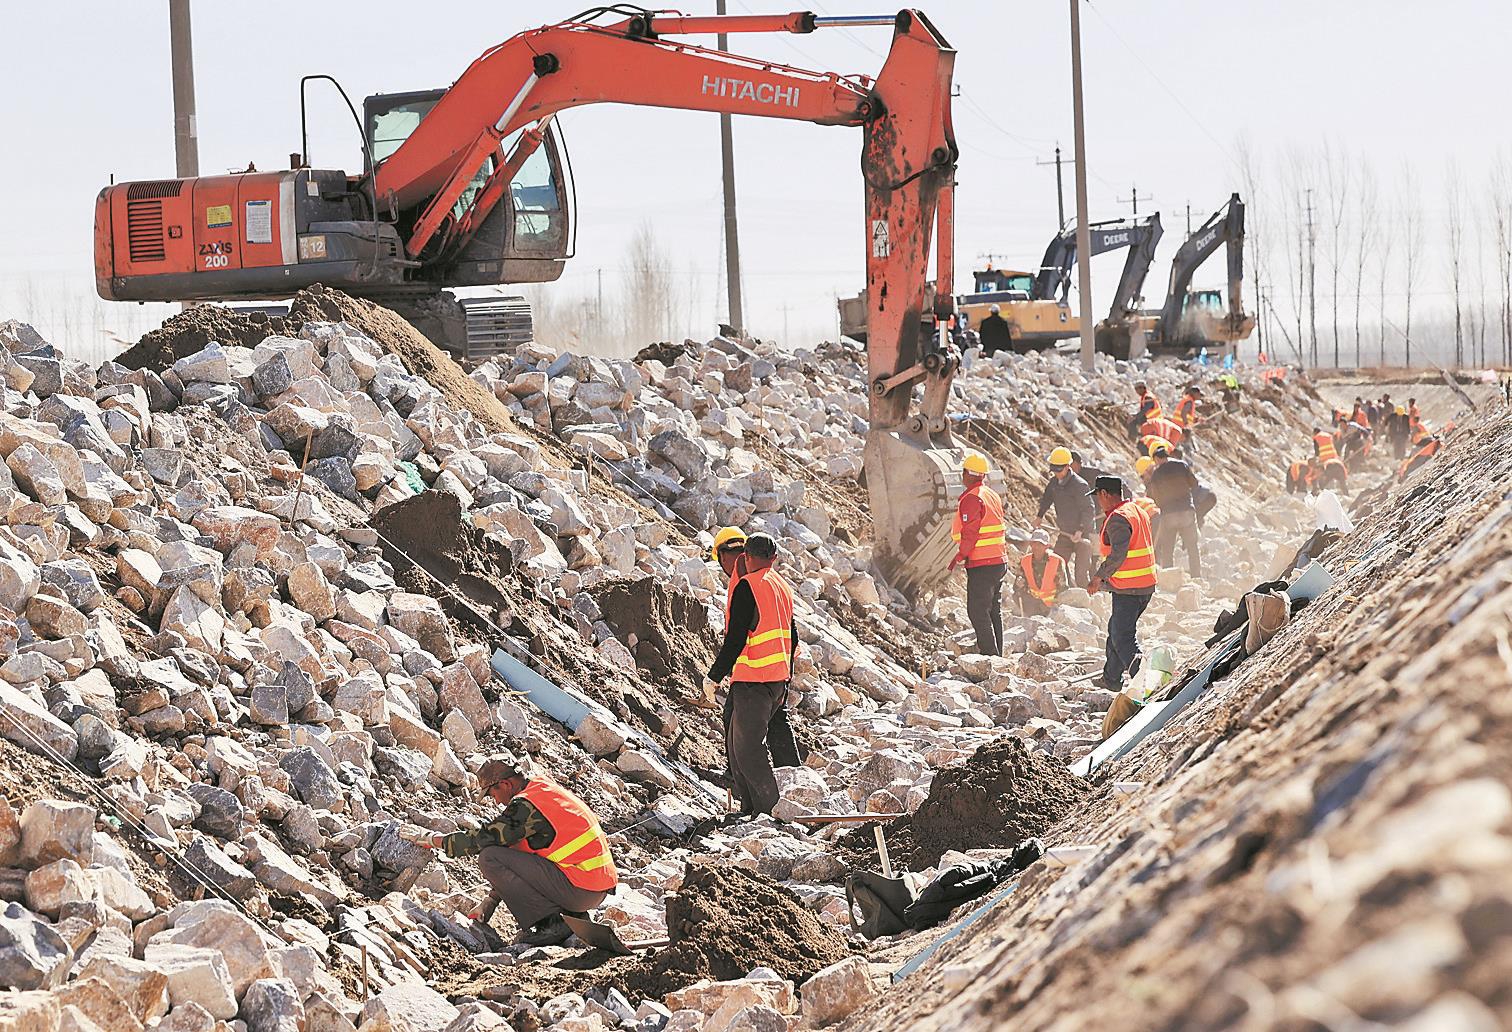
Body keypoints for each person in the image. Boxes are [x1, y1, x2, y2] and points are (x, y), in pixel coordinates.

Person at [429, 755, 617, 947]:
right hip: (594, 887)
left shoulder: (526, 806)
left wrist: (437, 841)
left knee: (489, 857)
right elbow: (519, 858)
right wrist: (491, 901)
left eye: (493, 795)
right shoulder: (543, 789)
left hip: (580, 888)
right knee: (500, 854)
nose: (497, 803)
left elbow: (485, 839)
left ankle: (553, 923)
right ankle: (571, 914)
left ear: (505, 784)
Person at [706, 533, 797, 817]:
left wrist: (713, 676)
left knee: (747, 751)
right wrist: (787, 677)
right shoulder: (782, 587)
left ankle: (771, 810)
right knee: (736, 746)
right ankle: (748, 809)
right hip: (775, 681)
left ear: (746, 556)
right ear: (774, 558)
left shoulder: (748, 587)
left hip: (754, 680)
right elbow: (793, 637)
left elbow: (735, 639)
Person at [1087, 476, 1157, 691]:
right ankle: (1111, 678)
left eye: (1098, 496)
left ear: (1105, 494)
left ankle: (1145, 681)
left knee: (1122, 636)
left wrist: (1099, 577)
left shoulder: (1118, 518)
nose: (1098, 501)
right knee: (1116, 629)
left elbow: (1118, 554)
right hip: (1145, 584)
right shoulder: (1136, 510)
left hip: (1129, 587)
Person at [950, 453, 1008, 656]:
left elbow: (971, 531)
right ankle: (998, 655)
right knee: (993, 610)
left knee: (977, 612)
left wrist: (961, 555)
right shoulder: (991, 494)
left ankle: (990, 658)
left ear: (966, 473)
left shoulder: (972, 498)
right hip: (998, 560)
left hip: (982, 562)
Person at [1034, 447, 1095, 586]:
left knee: (1081, 573)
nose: (1056, 474)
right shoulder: (1054, 483)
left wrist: (1080, 530)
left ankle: (1087, 601)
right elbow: (1046, 499)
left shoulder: (1079, 485)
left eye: (1059, 470)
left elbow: (1088, 510)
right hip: (1065, 533)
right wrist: (1039, 516)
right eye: (1054, 470)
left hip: (1083, 535)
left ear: (1068, 466)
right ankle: (1068, 593)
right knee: (1057, 564)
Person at [1148, 447, 1202, 578]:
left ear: (1156, 458)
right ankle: (1196, 577)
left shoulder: (1156, 473)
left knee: (1168, 549)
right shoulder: (1182, 465)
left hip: (1169, 514)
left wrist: (1163, 506)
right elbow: (1194, 483)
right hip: (1187, 512)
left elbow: (1153, 495)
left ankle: (1169, 577)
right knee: (1192, 547)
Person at [1015, 529, 1067, 617]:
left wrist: (1055, 604)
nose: (1037, 547)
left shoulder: (1056, 561)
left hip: (1051, 605)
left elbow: (1063, 587)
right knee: (1016, 595)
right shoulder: (1025, 560)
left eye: (1040, 544)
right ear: (1030, 544)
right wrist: (1019, 584)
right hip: (1032, 604)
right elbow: (1017, 585)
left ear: (1047, 546)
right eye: (1034, 543)